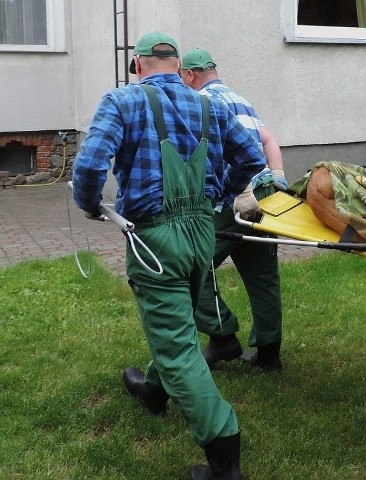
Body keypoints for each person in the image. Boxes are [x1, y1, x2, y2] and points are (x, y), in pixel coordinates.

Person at [72, 32, 266, 480]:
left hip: (156, 237)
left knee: (177, 347)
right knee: (175, 322)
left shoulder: (121, 102)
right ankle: (154, 393)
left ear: (138, 65)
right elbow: (252, 156)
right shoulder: (210, 104)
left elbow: (89, 167)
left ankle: (224, 453)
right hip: (201, 232)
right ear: (179, 68)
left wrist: (88, 205)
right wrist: (217, 192)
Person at [180, 48, 286, 372]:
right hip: (265, 193)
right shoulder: (241, 99)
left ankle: (222, 335)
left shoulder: (204, 104)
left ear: (189, 75)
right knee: (262, 275)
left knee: (191, 264)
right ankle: (269, 354)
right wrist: (278, 176)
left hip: (238, 196)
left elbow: (214, 155)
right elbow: (267, 139)